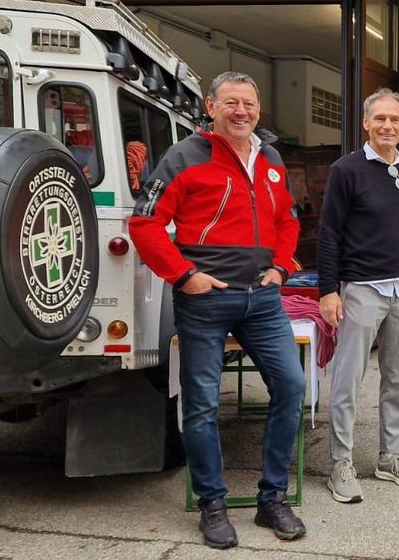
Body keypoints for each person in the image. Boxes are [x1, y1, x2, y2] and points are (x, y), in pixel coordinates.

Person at [129, 71, 306, 549]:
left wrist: (283, 269)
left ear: (258, 109)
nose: (241, 111)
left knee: (291, 385)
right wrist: (185, 276)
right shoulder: (184, 157)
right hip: (205, 300)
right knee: (202, 404)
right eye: (231, 102)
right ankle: (213, 503)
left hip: (263, 299)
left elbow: (287, 219)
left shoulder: (270, 158)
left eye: (248, 103)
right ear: (211, 107)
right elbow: (145, 224)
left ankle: (272, 499)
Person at [318, 87, 399, 504]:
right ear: (365, 123)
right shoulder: (346, 170)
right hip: (361, 287)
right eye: (379, 118)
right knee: (348, 379)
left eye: (395, 120)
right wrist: (328, 290)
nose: (387, 126)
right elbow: (329, 233)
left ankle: (389, 456)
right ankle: (341, 462)